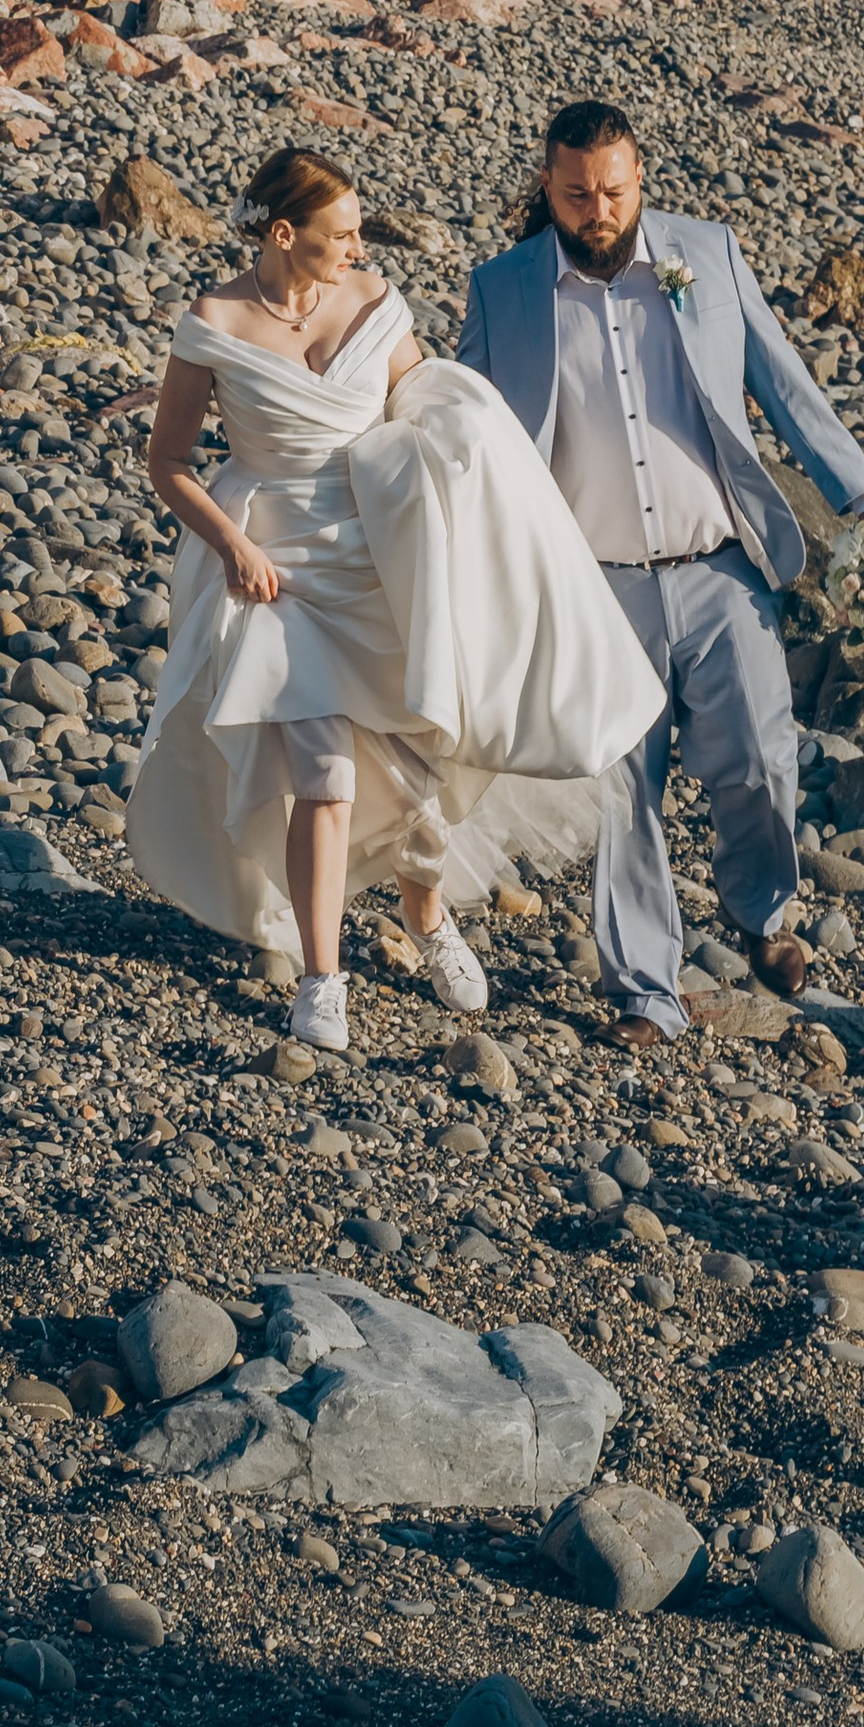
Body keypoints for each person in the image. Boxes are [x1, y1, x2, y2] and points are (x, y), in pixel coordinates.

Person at [128, 146, 660, 1056]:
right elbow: (166, 463)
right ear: (285, 234)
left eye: (360, 230)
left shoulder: (374, 301)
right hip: (278, 569)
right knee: (323, 774)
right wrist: (232, 544)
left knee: (420, 761)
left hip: (380, 550)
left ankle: (424, 914)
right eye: (342, 234)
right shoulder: (211, 323)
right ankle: (322, 978)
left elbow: (426, 399)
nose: (359, 247)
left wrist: (485, 481)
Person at [460, 99, 864, 1053]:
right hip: (594, 591)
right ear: (548, 186)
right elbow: (468, 431)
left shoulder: (705, 253)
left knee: (759, 761)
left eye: (613, 190)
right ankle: (646, 992)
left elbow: (785, 383)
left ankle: (762, 913)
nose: (597, 210)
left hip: (720, 569)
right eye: (577, 194)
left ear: (640, 179)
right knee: (624, 793)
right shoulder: (502, 289)